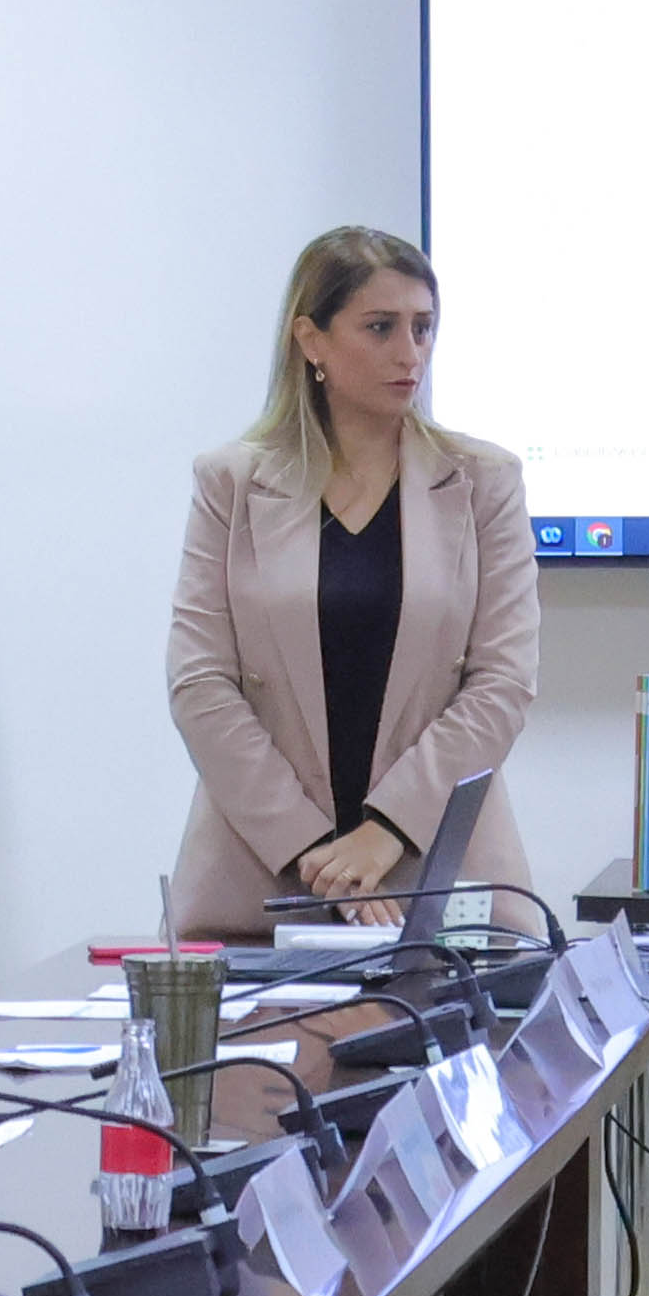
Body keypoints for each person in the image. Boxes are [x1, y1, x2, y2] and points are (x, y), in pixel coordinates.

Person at [165, 225, 542, 937]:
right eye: (381, 327)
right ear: (311, 339)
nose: (411, 353)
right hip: (264, 876)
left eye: (423, 327)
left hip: (436, 873)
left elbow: (503, 683)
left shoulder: (484, 482)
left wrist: (387, 831)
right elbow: (199, 684)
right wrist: (313, 849)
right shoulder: (231, 484)